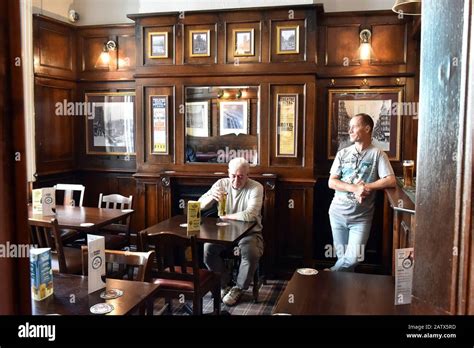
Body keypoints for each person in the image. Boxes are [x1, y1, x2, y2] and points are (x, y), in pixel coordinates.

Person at [328, 113, 396, 272]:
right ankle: (344, 296)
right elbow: (332, 182)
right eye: (349, 127)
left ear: (367, 128)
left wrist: (367, 187)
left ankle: (329, 275)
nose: (350, 130)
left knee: (354, 258)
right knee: (344, 260)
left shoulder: (378, 154)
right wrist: (355, 188)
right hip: (337, 213)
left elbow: (391, 180)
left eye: (354, 126)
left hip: (361, 217)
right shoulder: (343, 153)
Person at [198, 157, 264, 306]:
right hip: (224, 232)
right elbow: (199, 205)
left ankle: (239, 288)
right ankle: (224, 284)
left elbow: (250, 215)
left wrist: (226, 216)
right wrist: (210, 199)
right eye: (233, 176)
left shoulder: (256, 187)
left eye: (241, 176)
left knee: (251, 252)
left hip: (249, 232)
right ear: (228, 173)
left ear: (248, 175)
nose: (236, 180)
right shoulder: (221, 184)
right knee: (208, 249)